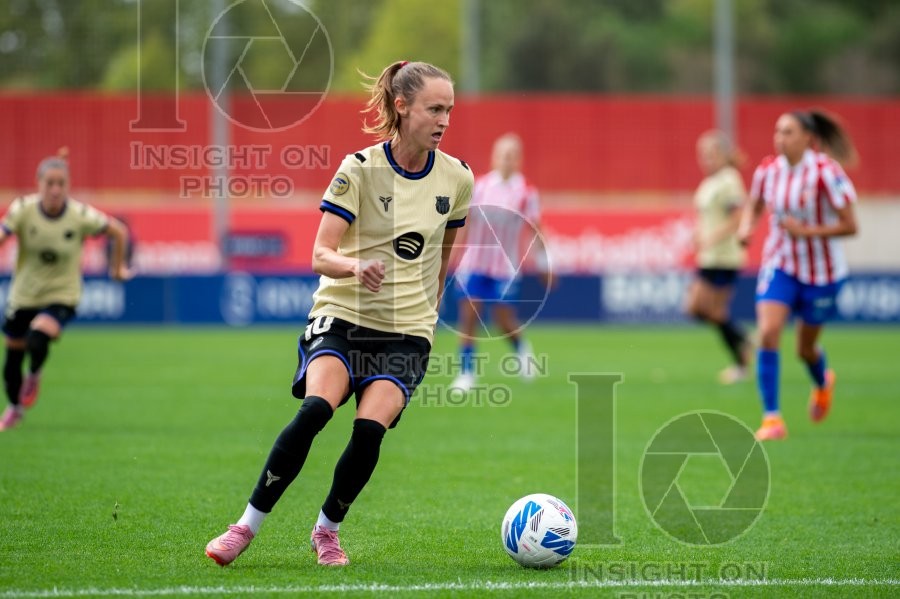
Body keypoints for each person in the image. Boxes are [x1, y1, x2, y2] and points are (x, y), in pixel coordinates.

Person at [205, 60, 473, 567]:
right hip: (343, 313)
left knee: (370, 428)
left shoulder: (457, 178)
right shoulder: (359, 168)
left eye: (449, 110)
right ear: (402, 106)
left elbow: (443, 256)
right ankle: (244, 527)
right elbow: (319, 254)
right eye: (434, 109)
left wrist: (429, 316)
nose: (444, 120)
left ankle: (327, 530)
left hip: (406, 331)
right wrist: (356, 267)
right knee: (315, 410)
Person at [738, 109, 859, 441]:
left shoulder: (825, 172)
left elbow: (851, 226)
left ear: (808, 138)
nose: (780, 138)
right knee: (768, 331)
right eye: (777, 131)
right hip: (781, 266)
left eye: (788, 132)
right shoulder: (767, 171)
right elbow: (755, 204)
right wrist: (748, 227)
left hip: (822, 274)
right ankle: (772, 419)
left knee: (805, 349)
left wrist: (808, 232)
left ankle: (823, 381)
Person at [0, 149, 131, 431]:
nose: (56, 190)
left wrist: (116, 268)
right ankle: (14, 408)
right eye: (50, 183)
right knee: (11, 367)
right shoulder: (23, 209)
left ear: (68, 185)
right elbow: (3, 235)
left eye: (61, 183)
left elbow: (118, 231)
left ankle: (34, 374)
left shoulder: (79, 214)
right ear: (39, 183)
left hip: (63, 294)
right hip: (24, 295)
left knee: (37, 337)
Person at [449, 133, 550, 392]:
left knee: (503, 319)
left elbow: (535, 228)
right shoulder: (479, 186)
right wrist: (454, 255)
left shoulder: (526, 193)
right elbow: (465, 222)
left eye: (512, 156)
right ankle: (467, 374)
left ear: (518, 160)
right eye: (503, 155)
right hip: (475, 262)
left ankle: (521, 349)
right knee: (469, 317)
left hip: (505, 266)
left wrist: (544, 263)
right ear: (494, 157)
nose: (507, 160)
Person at [684, 130, 752, 385]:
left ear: (724, 155)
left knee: (705, 308)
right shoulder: (709, 182)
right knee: (701, 309)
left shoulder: (729, 180)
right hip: (709, 256)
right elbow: (708, 217)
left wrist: (711, 238)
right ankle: (741, 341)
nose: (706, 159)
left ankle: (741, 359)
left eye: (711, 154)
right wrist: (698, 234)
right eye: (702, 155)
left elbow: (736, 218)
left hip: (725, 256)